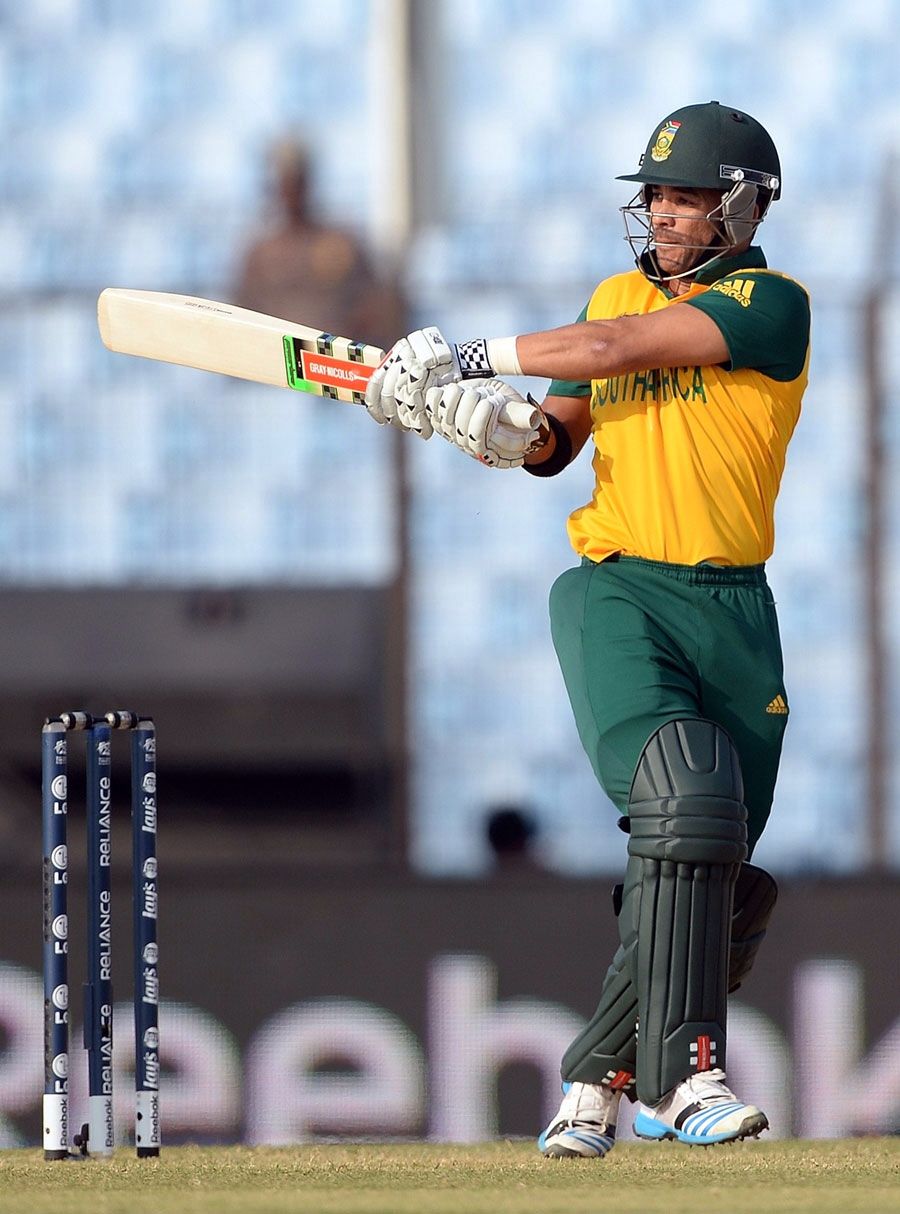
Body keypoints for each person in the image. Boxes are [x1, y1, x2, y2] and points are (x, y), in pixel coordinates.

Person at [364, 101, 808, 1157]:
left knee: (712, 873)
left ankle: (588, 1084)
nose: (662, 213)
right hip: (619, 589)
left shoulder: (772, 303)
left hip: (736, 609)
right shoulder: (612, 294)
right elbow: (553, 439)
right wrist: (493, 423)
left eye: (686, 196)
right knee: (688, 798)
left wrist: (469, 355)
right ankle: (687, 1078)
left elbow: (614, 346)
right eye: (653, 194)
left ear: (742, 205)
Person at [233, 136, 404, 350]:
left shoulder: (342, 245)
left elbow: (379, 306)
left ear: (308, 181)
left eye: (296, 180)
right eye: (283, 181)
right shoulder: (259, 256)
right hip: (272, 370)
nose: (290, 191)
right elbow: (238, 323)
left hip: (339, 369)